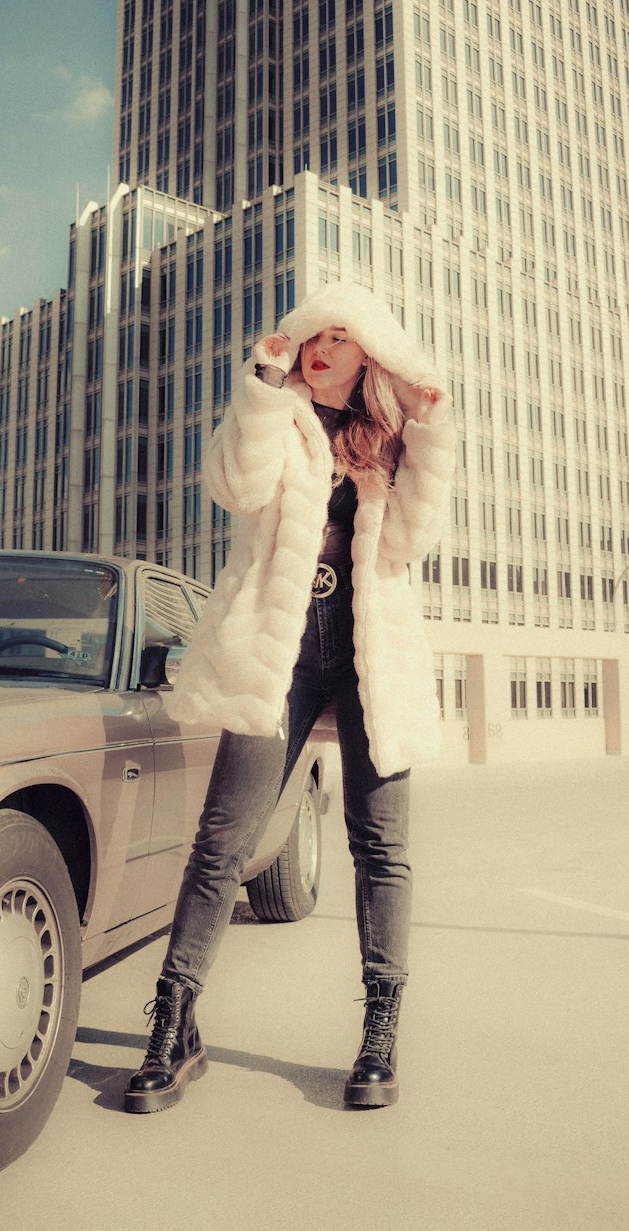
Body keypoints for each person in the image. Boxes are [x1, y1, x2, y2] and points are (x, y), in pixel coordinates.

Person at [123, 281, 455, 1114]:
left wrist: (430, 429)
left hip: (368, 643)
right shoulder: (282, 417)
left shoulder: (391, 440)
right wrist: (264, 392)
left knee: (382, 849)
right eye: (313, 333)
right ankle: (174, 1024)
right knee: (222, 842)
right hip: (283, 644)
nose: (321, 344)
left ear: (367, 352)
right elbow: (236, 488)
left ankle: (379, 1036)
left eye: (340, 335)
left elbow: (415, 538)